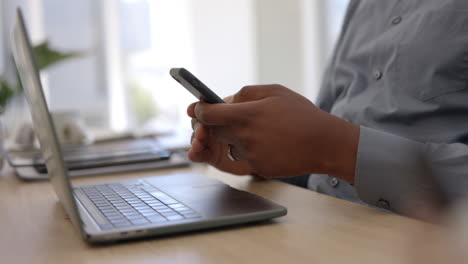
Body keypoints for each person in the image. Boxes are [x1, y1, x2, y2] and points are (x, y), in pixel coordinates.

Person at [187, 0, 468, 215]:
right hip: (317, 218)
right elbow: (326, 145)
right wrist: (266, 158)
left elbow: (336, 147)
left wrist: (337, 150)